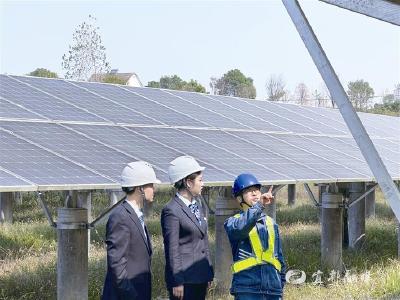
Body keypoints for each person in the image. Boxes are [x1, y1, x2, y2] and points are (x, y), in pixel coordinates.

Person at [102, 161, 160, 300]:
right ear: (140, 188)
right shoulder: (120, 217)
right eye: (151, 185)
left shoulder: (134, 215)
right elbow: (116, 265)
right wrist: (131, 295)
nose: (154, 189)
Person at [224, 173, 286, 300]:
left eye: (256, 190)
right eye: (248, 191)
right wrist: (259, 206)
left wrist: (280, 284)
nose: (254, 193)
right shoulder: (233, 222)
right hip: (247, 289)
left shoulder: (271, 223)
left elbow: (279, 257)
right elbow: (241, 228)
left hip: (273, 290)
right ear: (239, 198)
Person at [161, 155, 214, 300]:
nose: (203, 184)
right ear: (188, 182)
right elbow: (172, 249)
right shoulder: (171, 210)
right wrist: (177, 280)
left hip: (200, 277)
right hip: (185, 281)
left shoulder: (197, 206)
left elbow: (203, 240)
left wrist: (208, 270)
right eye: (200, 180)